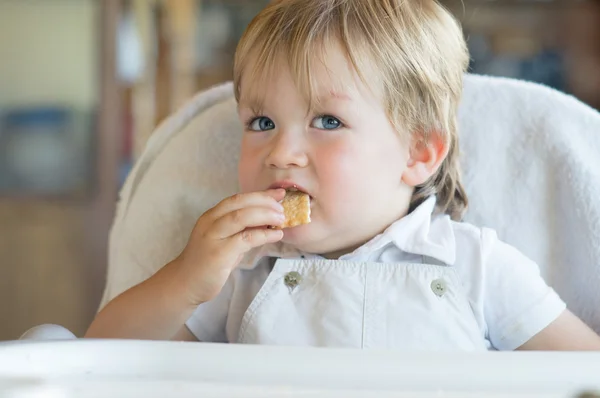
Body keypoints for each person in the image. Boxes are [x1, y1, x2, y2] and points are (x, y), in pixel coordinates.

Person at [85, 0, 600, 350]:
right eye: (261, 122)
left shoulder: (479, 267)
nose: (282, 153)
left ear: (418, 153)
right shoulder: (239, 271)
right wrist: (183, 281)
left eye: (328, 121)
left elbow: (581, 374)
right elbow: (99, 363)